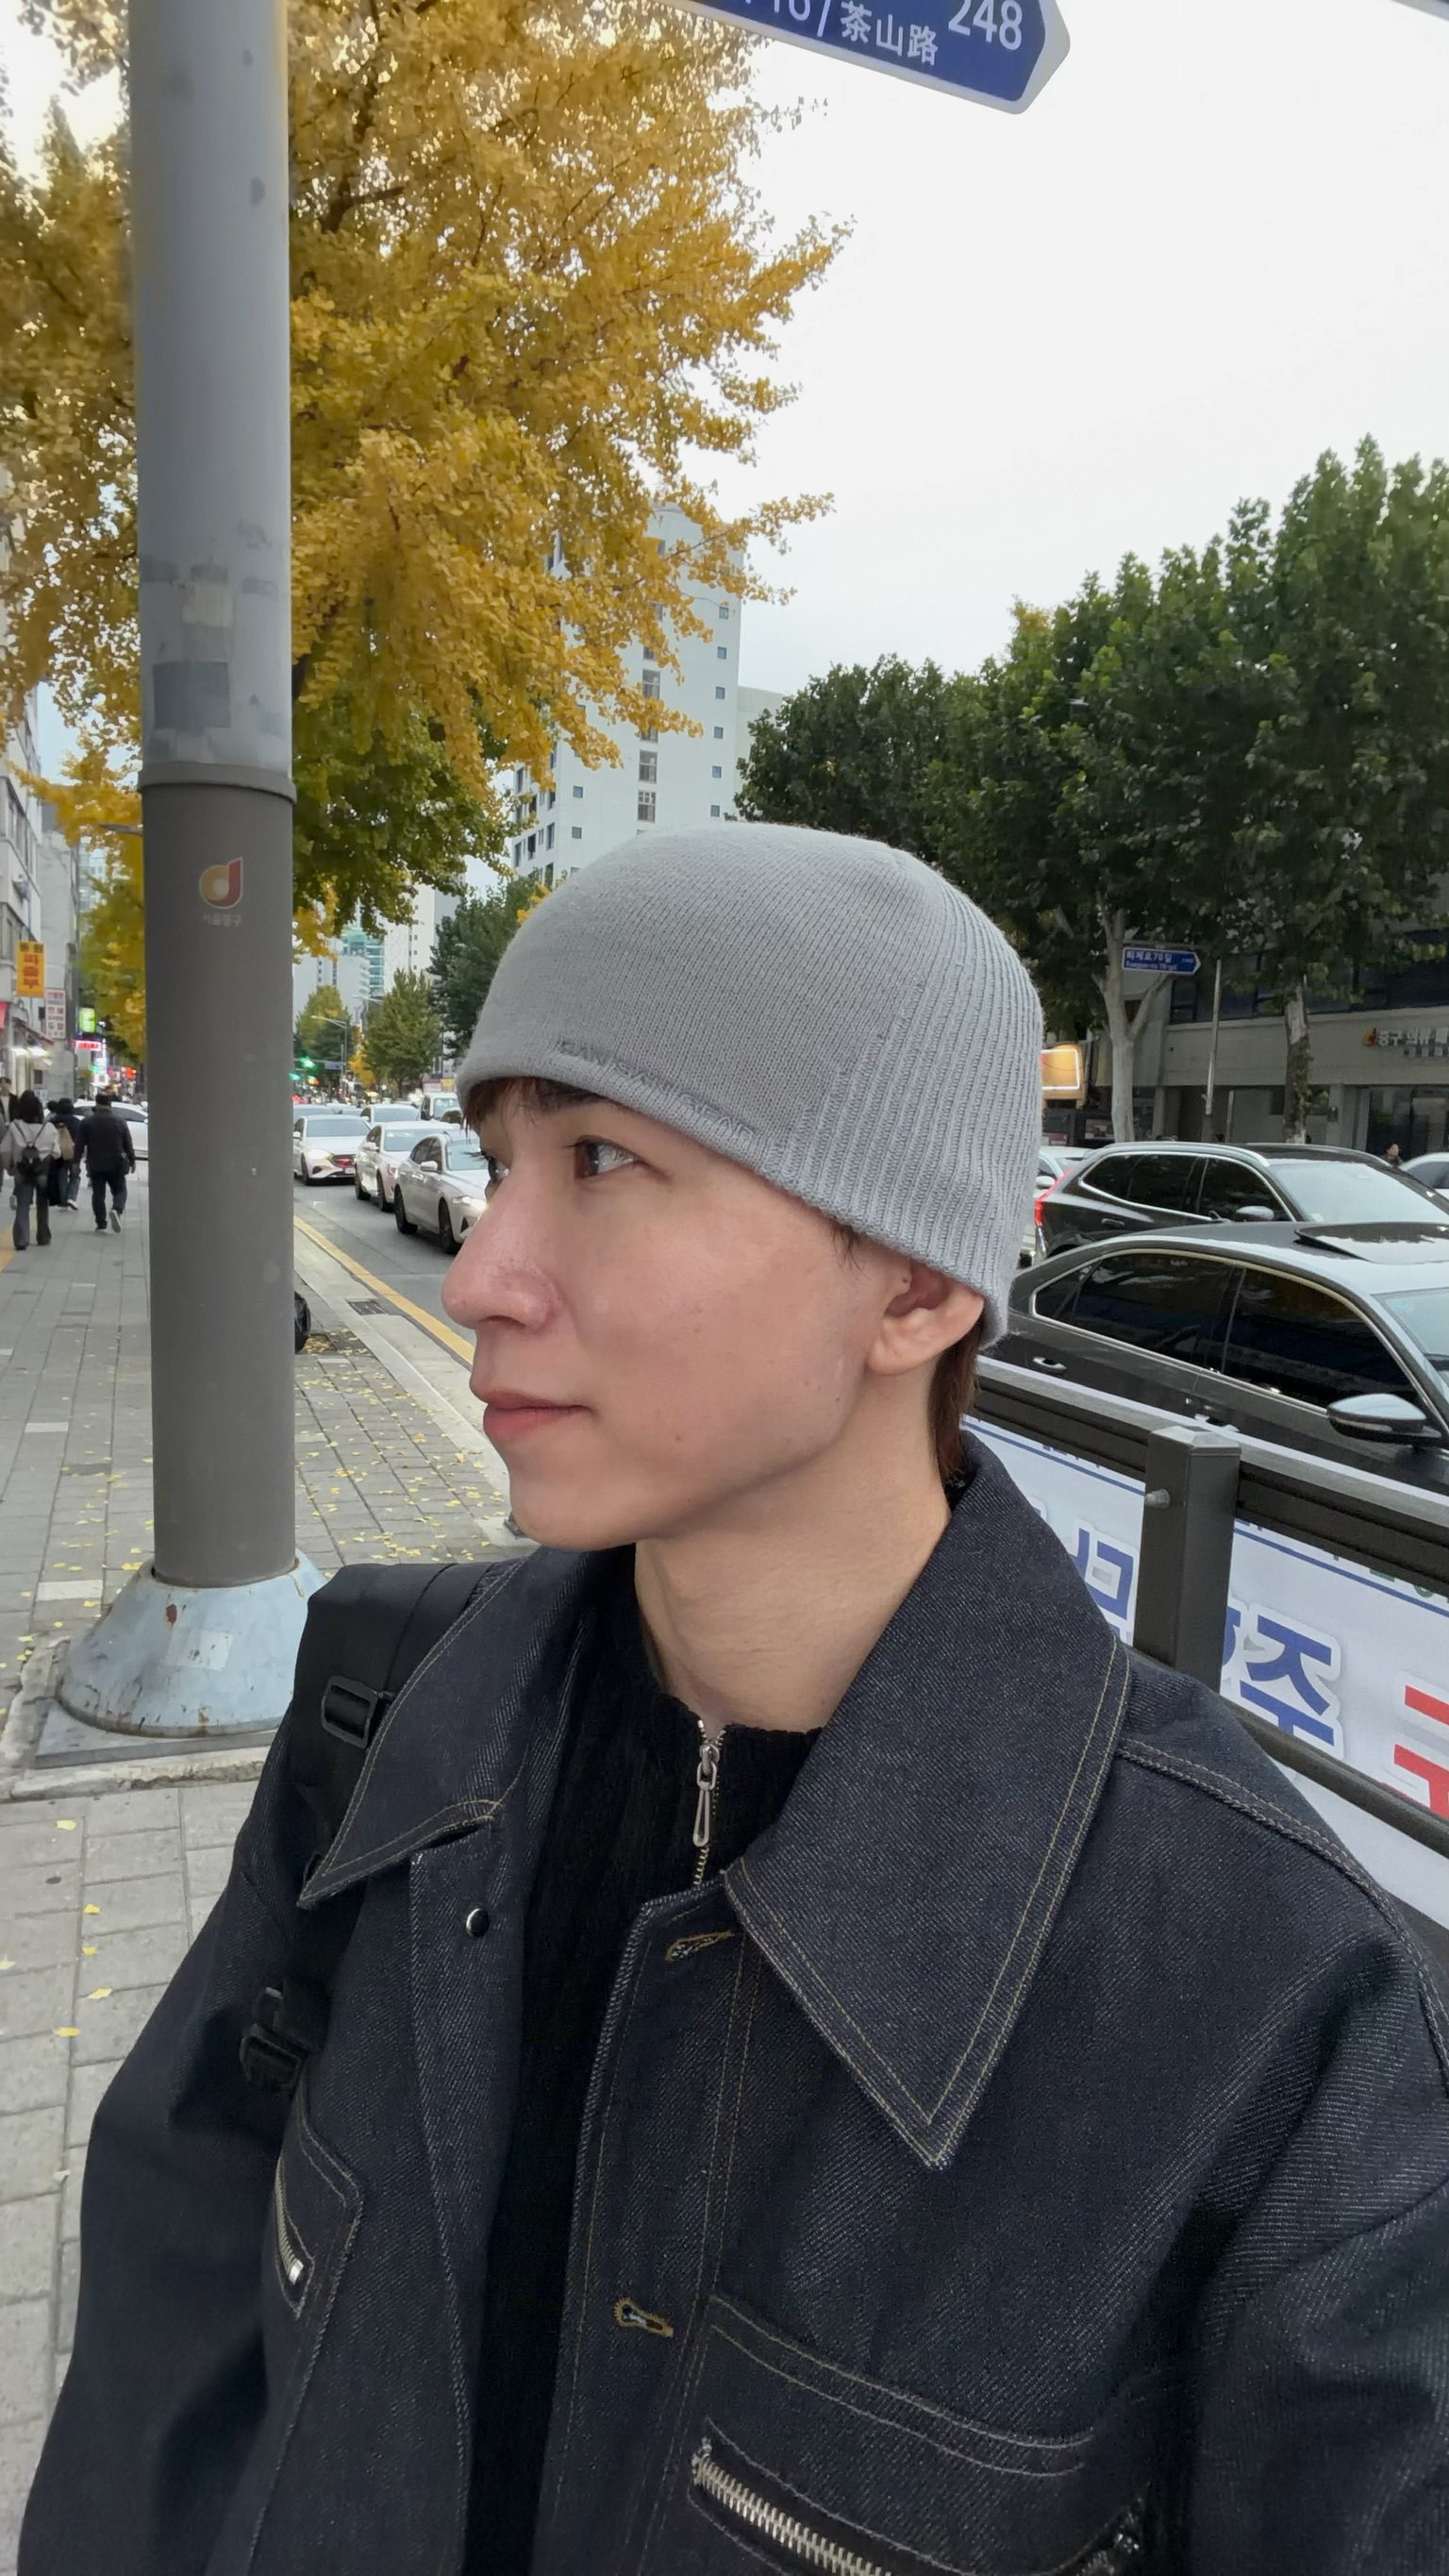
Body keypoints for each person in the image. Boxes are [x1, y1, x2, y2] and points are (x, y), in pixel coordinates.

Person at [23, 828, 1449, 2576]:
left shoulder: (1263, 2002)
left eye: (603, 1158)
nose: (480, 1271)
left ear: (915, 1283)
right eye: (502, 1159)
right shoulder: (387, 1715)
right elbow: (166, 2355)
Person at [0, 1088, 59, 1249]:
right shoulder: (49, 1128)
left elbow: (4, 1150)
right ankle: (43, 1236)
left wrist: (10, 1166)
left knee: (23, 1204)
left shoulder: (15, 1126)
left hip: (22, 1169)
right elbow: (57, 1152)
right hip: (42, 1171)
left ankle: (21, 1239)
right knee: (43, 1204)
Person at [81, 1088, 135, 1232]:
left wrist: (75, 1163)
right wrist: (132, 1160)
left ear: (96, 1103)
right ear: (110, 1104)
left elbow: (79, 1144)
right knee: (120, 1190)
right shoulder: (119, 1121)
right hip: (116, 1163)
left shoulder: (87, 1122)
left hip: (95, 1163)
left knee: (98, 1194)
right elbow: (127, 1143)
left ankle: (101, 1223)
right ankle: (116, 1209)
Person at [47, 1096, 86, 1211]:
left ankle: (63, 1200)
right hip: (72, 1153)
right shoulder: (76, 1122)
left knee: (61, 1175)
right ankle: (71, 1197)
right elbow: (81, 1139)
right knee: (75, 1175)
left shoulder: (52, 1121)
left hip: (57, 1153)